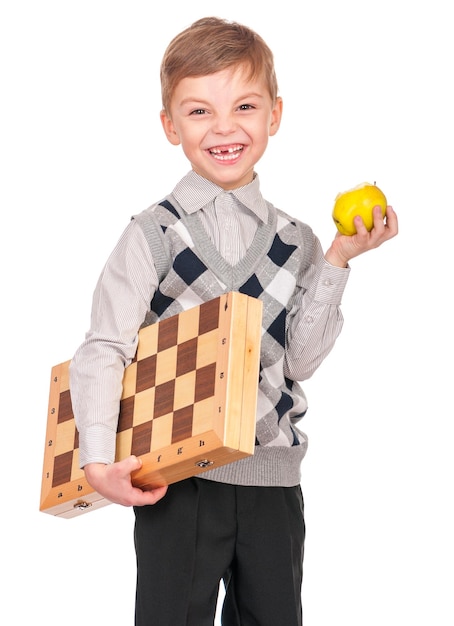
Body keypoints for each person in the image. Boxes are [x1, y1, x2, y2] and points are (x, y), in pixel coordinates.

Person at [69, 16, 398, 626]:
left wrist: (338, 260)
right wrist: (95, 459)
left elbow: (298, 362)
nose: (224, 128)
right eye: (199, 112)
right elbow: (104, 346)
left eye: (244, 105)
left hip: (273, 484)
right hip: (176, 480)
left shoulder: (298, 240)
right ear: (170, 126)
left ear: (275, 114)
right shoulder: (155, 233)